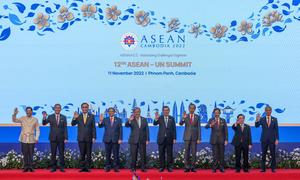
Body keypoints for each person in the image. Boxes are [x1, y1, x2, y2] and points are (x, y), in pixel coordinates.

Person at [12, 107, 40, 172]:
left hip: (31, 138)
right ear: (26, 112)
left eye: (30, 111)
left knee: (31, 153)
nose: (28, 112)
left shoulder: (35, 119)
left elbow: (37, 130)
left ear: (32, 112)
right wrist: (15, 114)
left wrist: (37, 138)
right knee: (25, 153)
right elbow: (14, 120)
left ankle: (31, 167)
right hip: (23, 138)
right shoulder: (22, 118)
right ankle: (25, 167)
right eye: (27, 111)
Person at [42, 103, 68, 172]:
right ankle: (53, 167)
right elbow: (44, 123)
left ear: (60, 109)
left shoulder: (64, 117)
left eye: (59, 108)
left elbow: (65, 128)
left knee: (61, 153)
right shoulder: (50, 116)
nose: (57, 109)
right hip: (53, 138)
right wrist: (44, 117)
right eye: (56, 108)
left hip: (61, 138)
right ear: (54, 109)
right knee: (53, 153)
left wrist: (66, 138)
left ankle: (61, 167)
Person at [71, 103, 96, 172]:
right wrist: (74, 118)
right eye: (83, 107)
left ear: (88, 108)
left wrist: (94, 137)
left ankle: (87, 167)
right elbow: (73, 124)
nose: (84, 108)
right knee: (82, 153)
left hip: (89, 138)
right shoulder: (78, 116)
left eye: (86, 107)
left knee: (88, 153)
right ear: (81, 108)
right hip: (81, 138)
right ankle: (82, 167)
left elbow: (93, 127)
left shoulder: (91, 116)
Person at [255, 106, 279, 173]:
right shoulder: (262, 119)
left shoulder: (274, 119)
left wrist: (277, 139)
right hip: (264, 139)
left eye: (269, 110)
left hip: (272, 139)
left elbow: (276, 130)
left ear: (271, 111)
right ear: (265, 111)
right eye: (267, 110)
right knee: (263, 154)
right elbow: (256, 126)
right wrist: (257, 119)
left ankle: (273, 168)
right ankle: (263, 169)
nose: (268, 111)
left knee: (273, 154)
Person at [98, 107, 123, 172]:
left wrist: (120, 138)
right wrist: (100, 121)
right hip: (107, 139)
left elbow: (120, 130)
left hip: (116, 140)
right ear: (108, 112)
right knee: (107, 154)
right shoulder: (105, 119)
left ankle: (116, 167)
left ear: (114, 112)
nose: (111, 112)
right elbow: (100, 126)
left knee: (116, 154)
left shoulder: (119, 120)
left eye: (112, 111)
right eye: (109, 111)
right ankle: (107, 167)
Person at [125, 107, 149, 172]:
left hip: (142, 140)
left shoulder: (144, 119)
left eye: (138, 111)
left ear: (140, 112)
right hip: (133, 140)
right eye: (135, 112)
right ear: (134, 113)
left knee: (143, 155)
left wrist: (147, 139)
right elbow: (126, 125)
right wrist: (129, 120)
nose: (137, 113)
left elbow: (147, 130)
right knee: (133, 155)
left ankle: (143, 168)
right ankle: (133, 168)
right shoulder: (131, 119)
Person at [153, 106, 176, 172]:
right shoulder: (160, 118)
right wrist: (156, 118)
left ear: (169, 111)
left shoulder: (172, 118)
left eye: (167, 110)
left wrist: (174, 138)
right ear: (163, 111)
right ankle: (162, 167)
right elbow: (154, 124)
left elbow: (174, 129)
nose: (166, 111)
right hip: (161, 139)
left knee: (169, 154)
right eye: (164, 110)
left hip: (169, 138)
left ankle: (169, 167)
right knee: (161, 153)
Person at [179, 103, 201, 172]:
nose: (191, 109)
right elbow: (180, 123)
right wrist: (183, 118)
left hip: (195, 137)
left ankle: (193, 167)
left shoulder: (197, 117)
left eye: (193, 108)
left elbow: (199, 128)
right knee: (186, 153)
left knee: (194, 153)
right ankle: (187, 167)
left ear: (194, 109)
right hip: (187, 137)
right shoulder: (186, 116)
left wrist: (199, 138)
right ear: (188, 109)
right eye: (190, 108)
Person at [205, 108, 228, 173]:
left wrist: (226, 139)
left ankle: (221, 168)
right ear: (214, 113)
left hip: (222, 140)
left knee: (221, 155)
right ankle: (214, 168)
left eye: (218, 112)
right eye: (215, 112)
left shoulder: (223, 120)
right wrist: (210, 125)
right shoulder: (211, 120)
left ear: (220, 113)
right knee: (215, 155)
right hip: (214, 140)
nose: (217, 113)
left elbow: (226, 131)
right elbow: (206, 127)